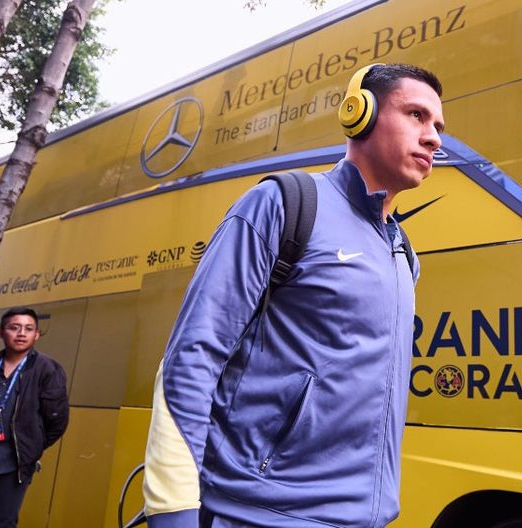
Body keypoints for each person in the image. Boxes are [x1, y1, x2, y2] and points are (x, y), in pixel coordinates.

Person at [143, 63, 444, 528]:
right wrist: (173, 512)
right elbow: (192, 356)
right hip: (255, 513)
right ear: (359, 113)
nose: (434, 138)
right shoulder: (283, 204)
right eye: (416, 115)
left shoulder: (403, 253)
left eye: (439, 126)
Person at [0, 307, 69, 528]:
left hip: (12, 465)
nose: (21, 334)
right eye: (14, 328)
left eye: (29, 329)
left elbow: (57, 420)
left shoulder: (48, 369)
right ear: (0, 332)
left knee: (4, 523)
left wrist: (30, 445)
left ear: (37, 334)